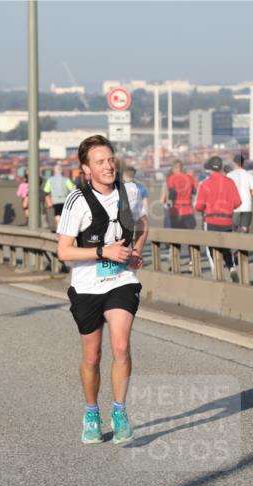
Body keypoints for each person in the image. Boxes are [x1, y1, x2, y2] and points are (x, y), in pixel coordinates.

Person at [55, 135, 148, 445]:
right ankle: (92, 411)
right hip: (86, 285)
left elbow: (143, 224)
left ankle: (120, 411)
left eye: (110, 159)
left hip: (121, 281)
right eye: (100, 162)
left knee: (120, 346)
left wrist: (135, 250)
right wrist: (102, 253)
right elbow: (64, 252)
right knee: (92, 356)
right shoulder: (76, 200)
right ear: (86, 169)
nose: (109, 166)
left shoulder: (131, 191)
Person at [195, 156, 242, 281]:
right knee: (226, 246)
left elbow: (198, 206)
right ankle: (232, 267)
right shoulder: (230, 182)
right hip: (227, 220)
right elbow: (238, 202)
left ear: (209, 168)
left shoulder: (205, 184)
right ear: (221, 167)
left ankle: (217, 273)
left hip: (211, 221)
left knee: (211, 248)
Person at [228, 154, 253, 234]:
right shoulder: (249, 175)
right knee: (244, 230)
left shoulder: (229, 175)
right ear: (243, 163)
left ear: (234, 163)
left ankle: (235, 245)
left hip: (234, 208)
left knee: (234, 230)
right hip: (246, 207)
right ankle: (244, 245)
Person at [163, 160, 197, 229]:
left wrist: (169, 203)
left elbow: (172, 192)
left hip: (176, 211)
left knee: (177, 237)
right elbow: (194, 191)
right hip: (188, 210)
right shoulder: (190, 178)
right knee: (190, 236)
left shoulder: (171, 178)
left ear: (174, 168)